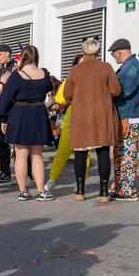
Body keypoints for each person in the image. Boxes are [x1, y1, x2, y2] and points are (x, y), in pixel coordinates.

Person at [63, 37, 122, 202]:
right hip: (101, 115)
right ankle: (103, 192)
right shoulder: (106, 67)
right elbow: (116, 90)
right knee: (103, 152)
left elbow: (67, 94)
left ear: (82, 51)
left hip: (81, 115)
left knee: (80, 153)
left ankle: (80, 191)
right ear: (98, 51)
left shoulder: (75, 70)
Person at [0, 45, 54, 201]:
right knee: (37, 155)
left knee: (21, 155)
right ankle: (41, 191)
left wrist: (4, 118)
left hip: (20, 113)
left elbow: (5, 99)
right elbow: (48, 88)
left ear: (22, 57)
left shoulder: (16, 76)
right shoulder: (44, 74)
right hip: (38, 112)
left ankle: (23, 191)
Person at [108, 38, 139, 201]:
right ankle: (120, 187)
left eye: (114, 54)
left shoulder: (132, 67)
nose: (114, 57)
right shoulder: (129, 66)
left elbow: (124, 90)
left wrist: (106, 92)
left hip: (129, 116)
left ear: (120, 52)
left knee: (127, 154)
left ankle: (128, 191)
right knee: (121, 153)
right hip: (126, 115)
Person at [45, 54, 90, 192]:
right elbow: (60, 98)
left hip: (86, 119)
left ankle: (81, 182)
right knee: (63, 151)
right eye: (80, 64)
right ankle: (53, 178)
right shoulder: (70, 78)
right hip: (72, 119)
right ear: (74, 66)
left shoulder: (91, 79)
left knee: (85, 153)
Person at [0, 44, 15, 182]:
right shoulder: (0, 72)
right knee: (0, 143)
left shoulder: (15, 69)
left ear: (7, 54)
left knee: (17, 145)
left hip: (12, 111)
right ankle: (4, 171)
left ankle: (26, 174)